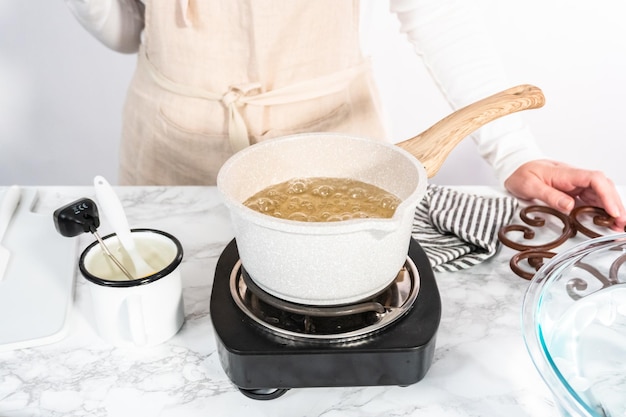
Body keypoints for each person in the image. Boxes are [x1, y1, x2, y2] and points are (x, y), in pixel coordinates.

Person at [65, 0, 626, 231]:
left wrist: (514, 152)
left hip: (337, 144)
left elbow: (435, 14)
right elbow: (127, 30)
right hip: (172, 148)